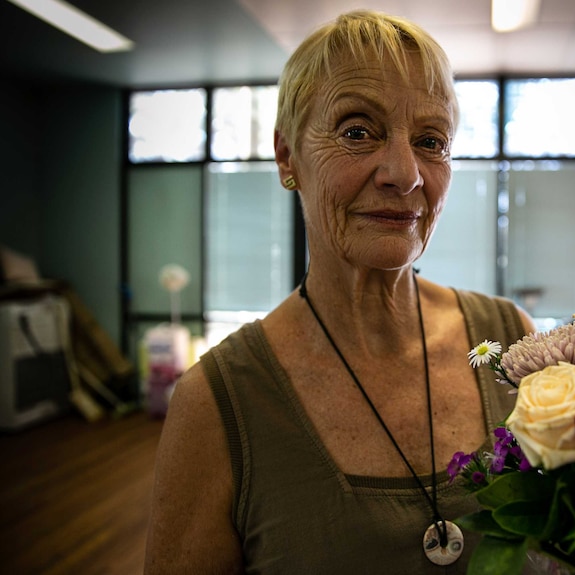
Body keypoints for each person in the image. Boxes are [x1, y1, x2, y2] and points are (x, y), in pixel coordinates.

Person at [144, 9, 535, 574]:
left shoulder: (510, 342)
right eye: (357, 131)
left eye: (431, 140)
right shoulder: (217, 403)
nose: (405, 174)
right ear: (287, 157)